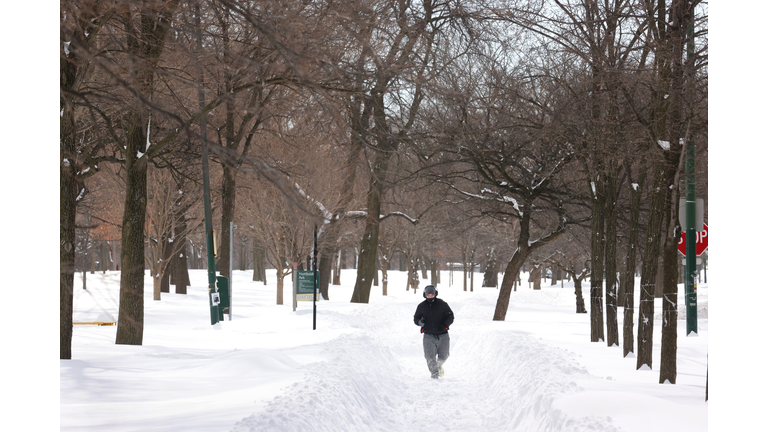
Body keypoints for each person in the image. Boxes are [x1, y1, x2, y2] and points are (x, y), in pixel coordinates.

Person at [413, 285, 454, 379]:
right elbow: (416, 318)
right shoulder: (421, 306)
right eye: (428, 295)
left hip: (443, 334)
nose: (430, 296)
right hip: (428, 335)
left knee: (444, 355)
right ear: (425, 295)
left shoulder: (442, 304)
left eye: (432, 294)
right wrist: (420, 322)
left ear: (435, 294)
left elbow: (450, 316)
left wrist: (445, 325)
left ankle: (438, 365)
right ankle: (434, 374)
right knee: (429, 357)